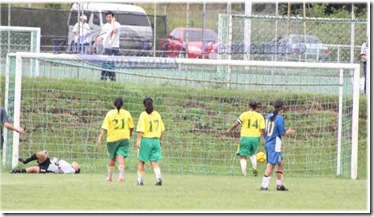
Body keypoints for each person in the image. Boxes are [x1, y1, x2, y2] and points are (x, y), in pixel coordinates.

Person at [260, 99, 295, 191]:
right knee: (271, 165)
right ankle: (264, 186)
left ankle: (279, 185)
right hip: (274, 145)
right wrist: (289, 132)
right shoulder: (279, 118)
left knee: (281, 162)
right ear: (282, 108)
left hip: (269, 142)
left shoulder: (268, 116)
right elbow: (282, 132)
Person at [98, 97, 134, 183]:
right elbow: (131, 126)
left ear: (113, 105)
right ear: (122, 105)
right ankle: (121, 177)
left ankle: (109, 178)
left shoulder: (109, 114)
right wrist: (130, 133)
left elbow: (105, 127)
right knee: (121, 156)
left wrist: (100, 137)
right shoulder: (127, 113)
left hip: (112, 139)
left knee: (112, 157)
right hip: (124, 138)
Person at [226, 101, 265, 177]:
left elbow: (236, 124)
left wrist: (229, 130)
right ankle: (254, 168)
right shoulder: (260, 116)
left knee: (243, 155)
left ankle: (244, 173)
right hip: (256, 138)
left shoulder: (244, 114)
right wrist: (265, 138)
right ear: (256, 108)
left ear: (249, 107)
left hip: (245, 137)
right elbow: (263, 128)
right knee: (252, 153)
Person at [136, 97, 165, 186]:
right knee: (154, 161)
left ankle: (140, 181)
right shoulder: (157, 114)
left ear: (144, 105)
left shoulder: (143, 115)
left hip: (146, 140)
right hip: (156, 140)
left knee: (141, 161)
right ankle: (158, 178)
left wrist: (138, 140)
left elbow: (141, 130)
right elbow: (161, 130)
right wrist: (160, 140)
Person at [93, 11, 121, 81]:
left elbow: (114, 31)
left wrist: (113, 22)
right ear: (106, 18)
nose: (109, 18)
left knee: (109, 64)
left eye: (110, 17)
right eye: (107, 17)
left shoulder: (117, 24)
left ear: (113, 17)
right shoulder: (105, 26)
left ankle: (107, 79)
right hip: (107, 47)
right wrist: (95, 44)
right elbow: (101, 36)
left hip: (114, 47)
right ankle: (106, 79)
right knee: (106, 63)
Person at [10, 150, 80, 174]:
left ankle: (17, 171)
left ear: (76, 169)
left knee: (33, 169)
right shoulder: (68, 164)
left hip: (49, 169)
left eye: (78, 165)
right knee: (41, 154)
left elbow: (61, 172)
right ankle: (26, 161)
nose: (77, 163)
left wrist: (57, 164)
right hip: (49, 163)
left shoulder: (72, 170)